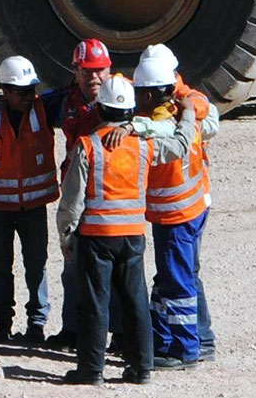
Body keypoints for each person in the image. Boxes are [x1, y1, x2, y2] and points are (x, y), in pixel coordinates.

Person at [56, 76, 199, 385]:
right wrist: (188, 113)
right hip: (133, 236)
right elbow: (182, 144)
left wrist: (66, 236)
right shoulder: (144, 145)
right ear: (131, 111)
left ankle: (92, 371)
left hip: (96, 237)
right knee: (135, 301)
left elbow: (71, 200)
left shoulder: (88, 146)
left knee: (95, 303)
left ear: (101, 109)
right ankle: (141, 367)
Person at [133, 43, 220, 362]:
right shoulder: (185, 111)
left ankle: (185, 349)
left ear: (148, 95)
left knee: (178, 280)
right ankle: (190, 339)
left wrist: (130, 125)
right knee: (175, 276)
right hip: (190, 209)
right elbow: (207, 114)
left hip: (175, 217)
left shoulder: (161, 126)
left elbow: (153, 130)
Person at [39, 38, 113, 349]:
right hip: (75, 192)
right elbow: (19, 103)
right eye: (87, 71)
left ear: (109, 71)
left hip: (109, 194)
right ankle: (72, 329)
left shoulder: (124, 97)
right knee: (71, 262)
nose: (94, 77)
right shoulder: (64, 101)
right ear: (76, 72)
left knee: (113, 267)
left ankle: (118, 334)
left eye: (100, 71)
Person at [0, 55, 58, 343]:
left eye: (31, 90)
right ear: (6, 91)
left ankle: (36, 325)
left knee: (36, 264)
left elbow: (76, 97)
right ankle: (2, 324)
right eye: (22, 92)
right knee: (1, 266)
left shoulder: (43, 109)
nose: (29, 97)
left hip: (33, 206)